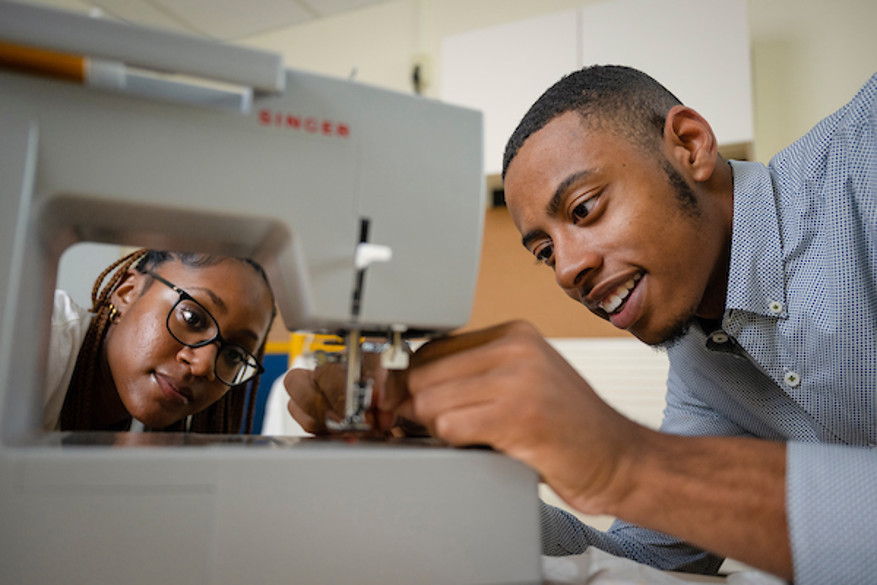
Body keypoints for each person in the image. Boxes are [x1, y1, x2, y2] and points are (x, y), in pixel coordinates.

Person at [284, 66, 877, 584]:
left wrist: (628, 460)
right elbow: (641, 563)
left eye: (585, 210)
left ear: (690, 145)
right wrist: (457, 480)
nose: (568, 270)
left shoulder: (864, 161)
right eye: (544, 251)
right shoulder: (703, 370)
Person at [47, 248, 276, 433]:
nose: (204, 366)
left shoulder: (187, 432)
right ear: (128, 291)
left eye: (234, 355)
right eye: (192, 318)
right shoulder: (37, 339)